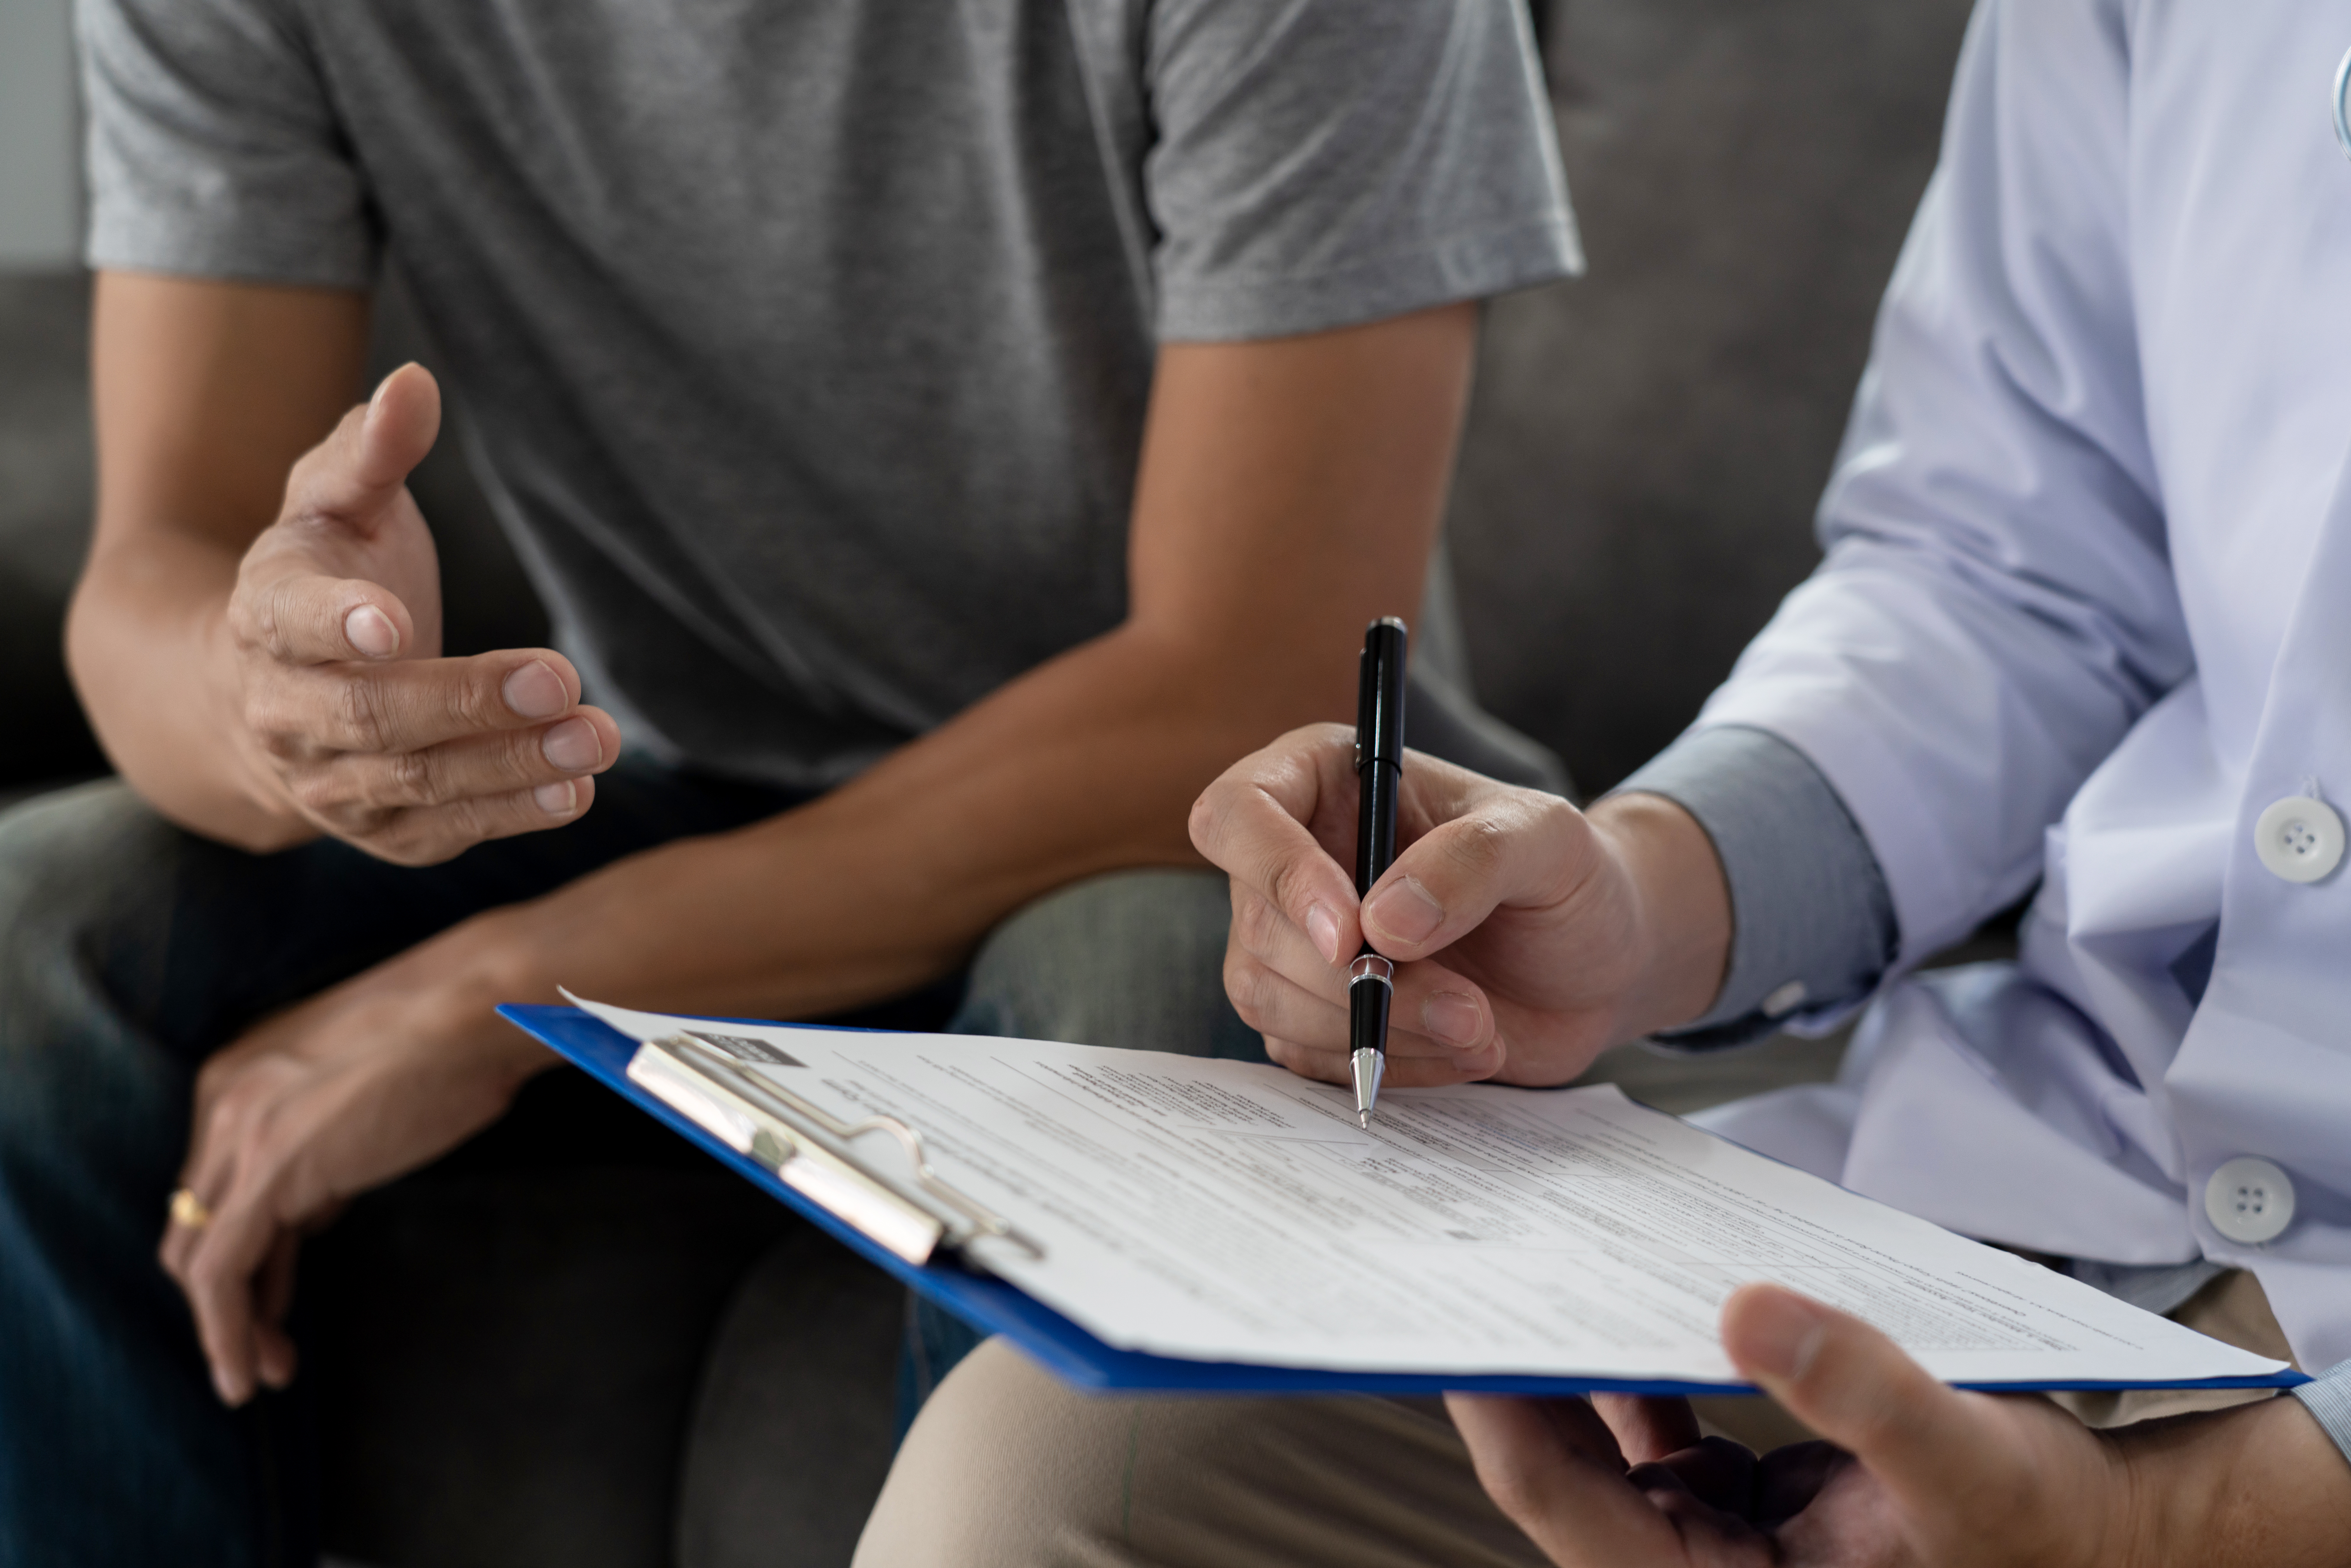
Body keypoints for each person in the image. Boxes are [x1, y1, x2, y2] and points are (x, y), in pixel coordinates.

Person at [0, 2, 1582, 1562]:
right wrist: (270, 696)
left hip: (1171, 827)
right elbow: (159, 562)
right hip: (662, 773)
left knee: (1141, 999)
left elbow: (1243, 675)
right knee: (32, 934)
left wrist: (492, 993)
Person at [856, 1, 2351, 1562]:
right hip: (2098, 1171)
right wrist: (1634, 898)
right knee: (1064, 1473)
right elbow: (2011, 575)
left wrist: (2216, 1514)